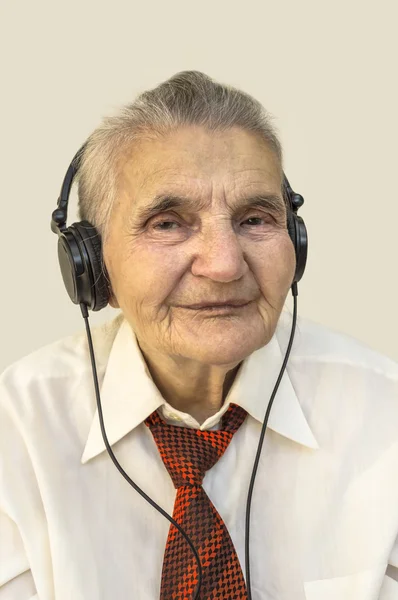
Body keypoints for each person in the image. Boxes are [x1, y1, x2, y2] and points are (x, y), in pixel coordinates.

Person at [1, 71, 397, 600]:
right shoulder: (15, 434)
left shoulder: (385, 414)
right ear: (93, 267)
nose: (225, 264)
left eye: (255, 219)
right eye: (168, 223)